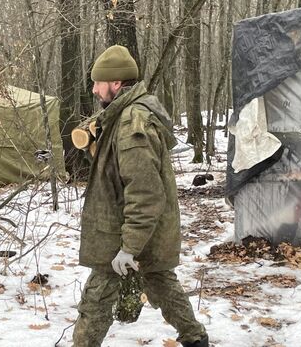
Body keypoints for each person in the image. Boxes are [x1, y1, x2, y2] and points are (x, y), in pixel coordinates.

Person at [72, 45, 209, 347]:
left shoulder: (132, 125)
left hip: (125, 234)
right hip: (140, 230)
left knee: (95, 303)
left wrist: (128, 248)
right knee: (161, 284)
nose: (94, 89)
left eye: (98, 82)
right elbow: (117, 174)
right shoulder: (120, 115)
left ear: (117, 84)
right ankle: (196, 339)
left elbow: (145, 192)